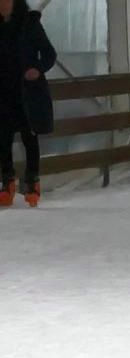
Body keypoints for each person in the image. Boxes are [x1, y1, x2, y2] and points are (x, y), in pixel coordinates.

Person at [0, 0, 54, 208]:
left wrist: (38, 69)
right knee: (3, 138)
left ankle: (32, 182)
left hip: (26, 91)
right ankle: (7, 182)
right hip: (3, 91)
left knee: (28, 137)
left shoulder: (29, 24)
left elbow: (49, 53)